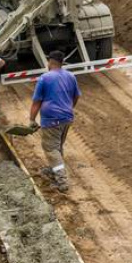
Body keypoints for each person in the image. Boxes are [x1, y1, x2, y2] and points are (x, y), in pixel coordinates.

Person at [30, 50, 80, 192]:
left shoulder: (44, 78)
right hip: (67, 118)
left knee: (51, 149)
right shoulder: (71, 76)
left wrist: (32, 120)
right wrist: (68, 108)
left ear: (50, 62)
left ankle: (61, 181)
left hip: (51, 120)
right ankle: (54, 169)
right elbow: (76, 96)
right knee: (57, 147)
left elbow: (37, 102)